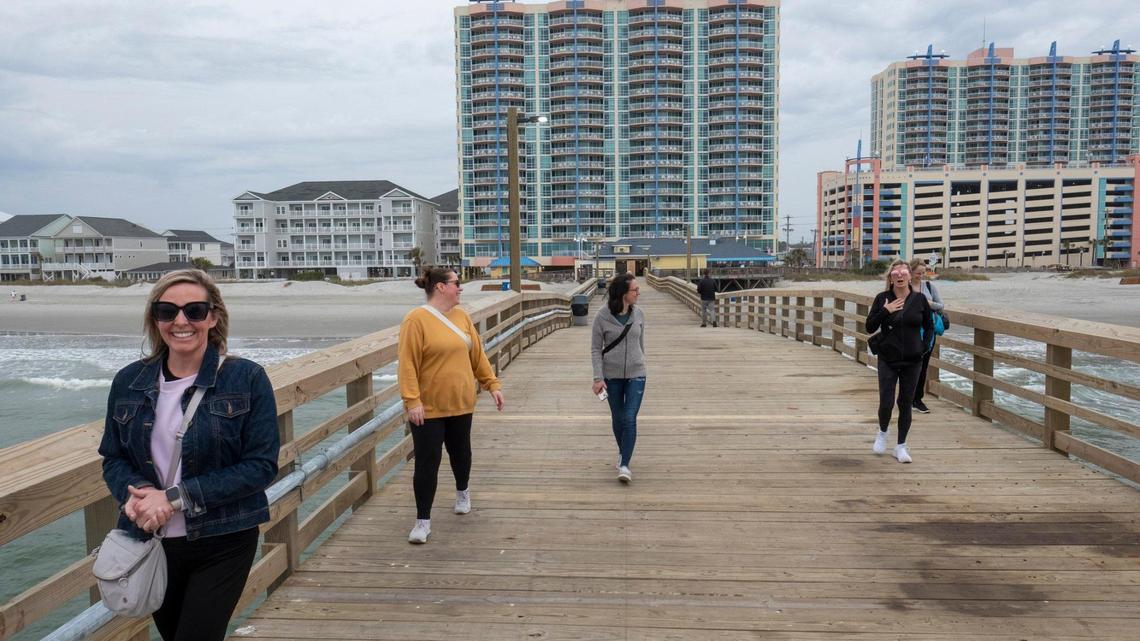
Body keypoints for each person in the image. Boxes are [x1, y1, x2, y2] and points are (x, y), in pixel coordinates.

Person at [99, 269, 279, 641]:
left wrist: (175, 497)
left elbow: (260, 466)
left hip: (223, 538)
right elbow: (113, 457)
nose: (181, 321)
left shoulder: (246, 378)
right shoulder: (128, 381)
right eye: (168, 311)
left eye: (194, 310)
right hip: (153, 540)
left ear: (213, 317)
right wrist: (138, 494)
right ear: (156, 319)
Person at [398, 267, 504, 544]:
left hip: (461, 402)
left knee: (461, 453)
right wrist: (412, 401)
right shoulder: (416, 320)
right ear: (440, 287)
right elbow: (407, 363)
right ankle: (422, 521)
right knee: (427, 462)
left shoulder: (462, 316)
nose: (461, 288)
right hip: (428, 407)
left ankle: (462, 491)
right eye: (457, 283)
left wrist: (492, 384)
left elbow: (477, 355)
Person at [865, 259, 933, 464]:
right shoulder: (882, 298)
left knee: (905, 402)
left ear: (910, 276)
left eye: (904, 273)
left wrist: (924, 347)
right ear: (891, 278)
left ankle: (901, 446)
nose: (900, 276)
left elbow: (929, 326)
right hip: (888, 357)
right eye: (895, 274)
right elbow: (869, 327)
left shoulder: (920, 300)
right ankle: (883, 433)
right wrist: (886, 311)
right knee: (886, 401)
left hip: (913, 359)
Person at [591, 272, 646, 482]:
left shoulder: (639, 314)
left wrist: (641, 362)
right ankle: (623, 452)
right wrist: (598, 377)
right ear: (624, 293)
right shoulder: (601, 317)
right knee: (618, 418)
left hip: (637, 374)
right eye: (635, 290)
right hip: (611, 376)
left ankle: (624, 464)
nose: (638, 293)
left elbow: (641, 343)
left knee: (629, 418)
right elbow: (596, 350)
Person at [909, 258, 944, 414]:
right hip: (909, 330)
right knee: (909, 366)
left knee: (923, 366)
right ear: (910, 272)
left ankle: (917, 399)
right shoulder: (905, 286)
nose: (921, 276)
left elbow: (940, 305)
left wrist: (928, 304)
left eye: (923, 273)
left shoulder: (929, 286)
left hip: (928, 330)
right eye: (918, 273)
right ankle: (907, 398)